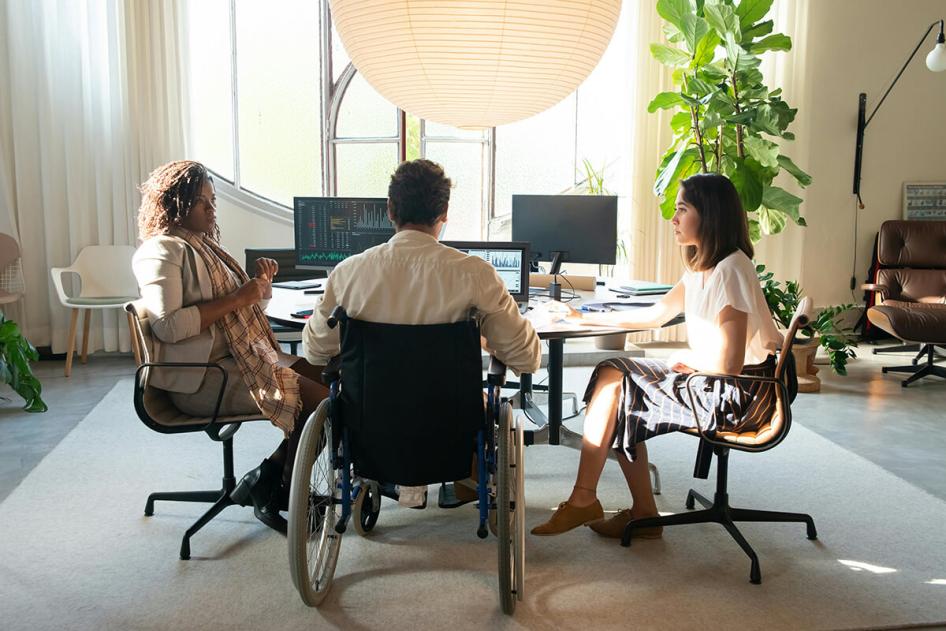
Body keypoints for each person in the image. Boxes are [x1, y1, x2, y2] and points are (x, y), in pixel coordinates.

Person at [530, 173, 782, 537]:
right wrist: (581, 317)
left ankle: (596, 503)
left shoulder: (731, 270)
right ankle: (630, 511)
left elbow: (730, 364)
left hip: (738, 394)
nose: (673, 219)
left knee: (618, 381)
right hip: (714, 380)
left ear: (709, 215)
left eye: (682, 209)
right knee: (614, 376)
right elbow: (654, 315)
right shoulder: (701, 267)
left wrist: (685, 361)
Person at [303, 158, 542, 506]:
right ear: (444, 212)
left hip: (370, 427)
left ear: (389, 210)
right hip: (450, 432)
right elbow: (525, 357)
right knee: (488, 399)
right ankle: (467, 482)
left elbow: (314, 351)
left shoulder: (348, 274)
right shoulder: (475, 274)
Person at [133, 160, 328, 534]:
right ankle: (282, 494)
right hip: (203, 378)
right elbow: (168, 326)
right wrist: (240, 298)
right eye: (200, 201)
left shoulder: (206, 247)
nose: (211, 208)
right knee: (319, 402)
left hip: (238, 358)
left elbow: (239, 316)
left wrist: (260, 289)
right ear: (175, 204)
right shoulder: (161, 251)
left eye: (212, 200)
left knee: (330, 381)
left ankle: (266, 477)